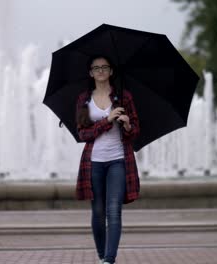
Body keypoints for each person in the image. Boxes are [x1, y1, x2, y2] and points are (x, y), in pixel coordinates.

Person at [75, 55, 141, 264]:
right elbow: (82, 134)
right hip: (93, 162)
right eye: (96, 68)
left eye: (105, 67)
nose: (101, 71)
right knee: (98, 212)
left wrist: (128, 125)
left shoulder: (124, 97)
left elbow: (135, 132)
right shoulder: (83, 99)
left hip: (118, 160)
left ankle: (108, 260)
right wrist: (107, 120)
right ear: (91, 73)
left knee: (114, 210)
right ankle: (103, 254)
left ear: (111, 71)